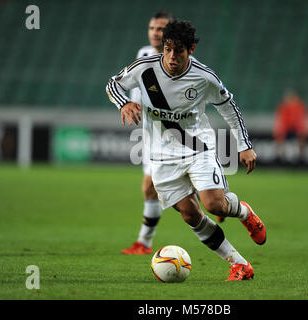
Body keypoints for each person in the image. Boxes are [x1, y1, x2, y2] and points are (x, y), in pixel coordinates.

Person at [106, 20, 266, 281]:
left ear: (190, 50)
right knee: (191, 215)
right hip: (160, 157)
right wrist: (124, 103)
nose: (171, 57)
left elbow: (229, 108)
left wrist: (245, 145)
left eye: (178, 50)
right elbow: (113, 84)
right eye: (167, 49)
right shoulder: (145, 69)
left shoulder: (205, 77)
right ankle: (240, 265)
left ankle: (245, 213)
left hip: (197, 148)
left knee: (215, 204)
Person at [121, 10, 175, 255]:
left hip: (171, 135)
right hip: (149, 134)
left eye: (161, 28)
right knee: (153, 188)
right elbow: (133, 85)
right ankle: (218, 200)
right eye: (153, 28)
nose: (156, 32)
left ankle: (144, 242)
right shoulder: (143, 54)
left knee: (155, 188)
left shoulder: (175, 61)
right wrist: (130, 104)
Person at [273, 89, 308, 158]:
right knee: (280, 141)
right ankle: (279, 157)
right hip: (286, 127)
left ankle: (302, 158)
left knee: (301, 141)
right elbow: (281, 118)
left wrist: (301, 129)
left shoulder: (299, 106)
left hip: (296, 127)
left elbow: (301, 118)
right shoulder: (284, 106)